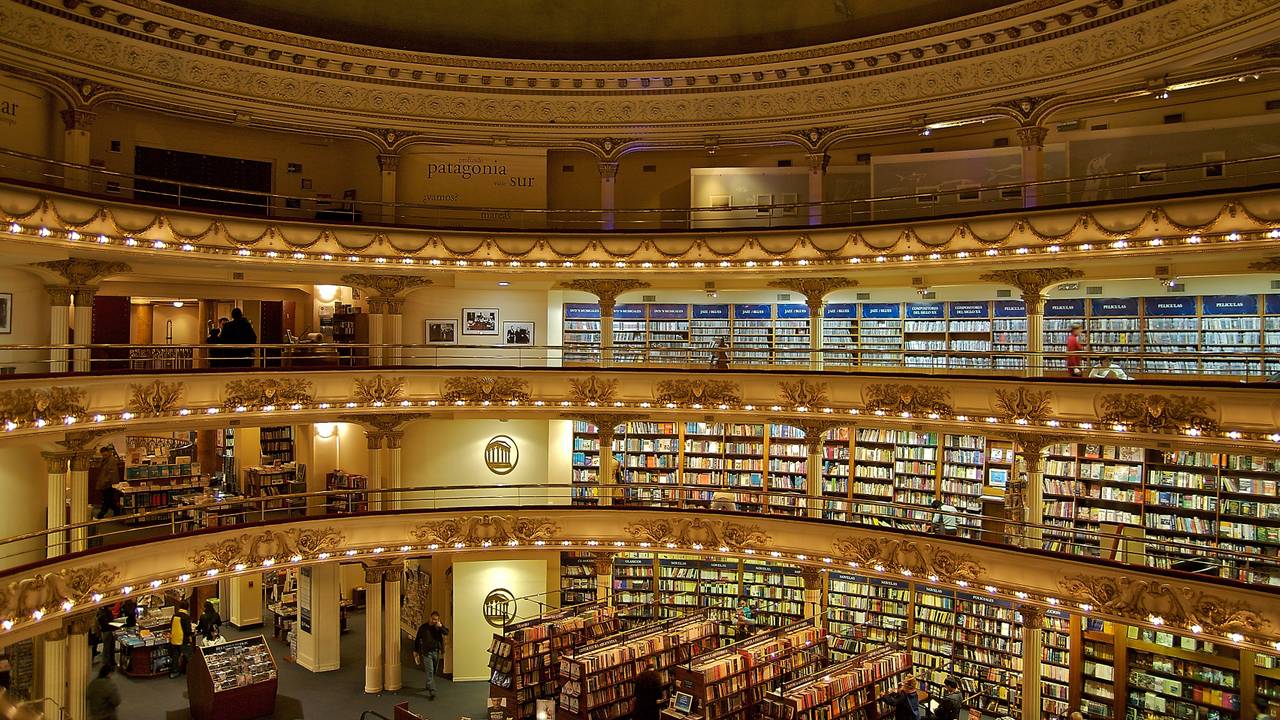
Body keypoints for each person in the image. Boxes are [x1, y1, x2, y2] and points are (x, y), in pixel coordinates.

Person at [413, 611, 449, 700]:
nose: (434, 621)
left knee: (434, 671)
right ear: (430, 618)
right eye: (433, 619)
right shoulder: (423, 628)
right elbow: (417, 639)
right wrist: (415, 651)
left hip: (436, 652)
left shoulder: (438, 627)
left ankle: (428, 684)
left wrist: (440, 627)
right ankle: (432, 691)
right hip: (426, 653)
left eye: (436, 620)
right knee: (430, 671)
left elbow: (446, 632)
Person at [94, 446, 122, 519]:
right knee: (110, 499)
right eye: (103, 455)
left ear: (109, 452)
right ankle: (117, 512)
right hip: (106, 482)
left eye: (105, 455)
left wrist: (105, 481)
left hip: (109, 483)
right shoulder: (105, 460)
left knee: (107, 499)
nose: (104, 456)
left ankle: (101, 514)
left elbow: (110, 473)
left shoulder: (111, 460)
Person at [168, 608, 192, 677]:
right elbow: (187, 630)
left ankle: (175, 672)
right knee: (188, 656)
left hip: (174, 639)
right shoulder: (186, 617)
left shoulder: (174, 615)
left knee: (175, 656)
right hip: (183, 640)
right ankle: (189, 671)